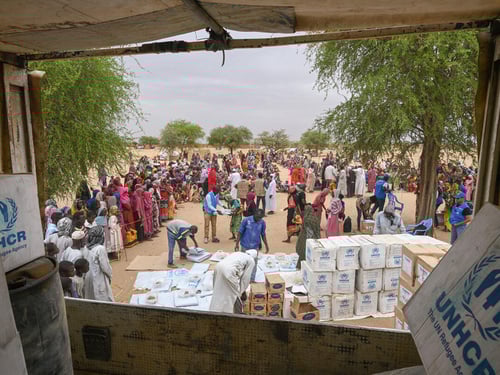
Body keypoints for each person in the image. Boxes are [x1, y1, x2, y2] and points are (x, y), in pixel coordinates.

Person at [85, 226, 114, 302]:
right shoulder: (100, 249)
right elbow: (105, 266)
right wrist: (110, 275)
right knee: (103, 299)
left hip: (88, 277)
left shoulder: (86, 248)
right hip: (98, 277)